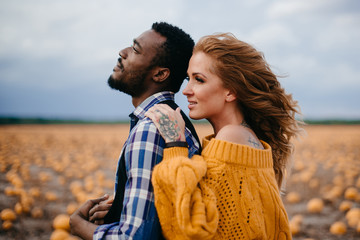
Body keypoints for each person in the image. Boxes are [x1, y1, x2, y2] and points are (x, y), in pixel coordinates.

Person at [145, 33, 302, 239]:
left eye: (199, 80)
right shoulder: (242, 137)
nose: (186, 90)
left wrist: (176, 144)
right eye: (188, 78)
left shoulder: (232, 136)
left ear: (231, 92)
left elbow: (190, 230)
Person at [69, 22, 201, 240]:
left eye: (135, 49)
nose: (122, 52)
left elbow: (135, 238)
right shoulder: (170, 120)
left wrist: (78, 226)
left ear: (160, 74)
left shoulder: (151, 129)